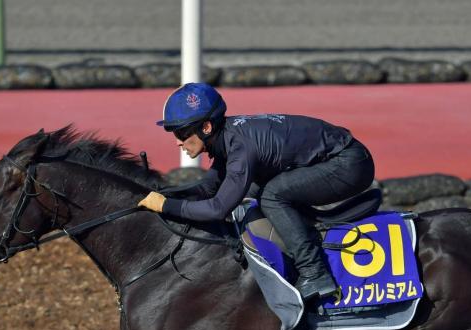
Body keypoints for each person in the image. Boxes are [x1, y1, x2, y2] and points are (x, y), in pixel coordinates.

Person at [137, 82, 375, 303]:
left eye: (180, 134)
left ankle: (315, 273)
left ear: (206, 127)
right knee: (254, 188)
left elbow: (218, 208)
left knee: (272, 194)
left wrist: (165, 206)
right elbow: (208, 188)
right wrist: (167, 194)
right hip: (334, 158)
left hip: (351, 164)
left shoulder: (241, 147)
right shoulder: (225, 136)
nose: (177, 142)